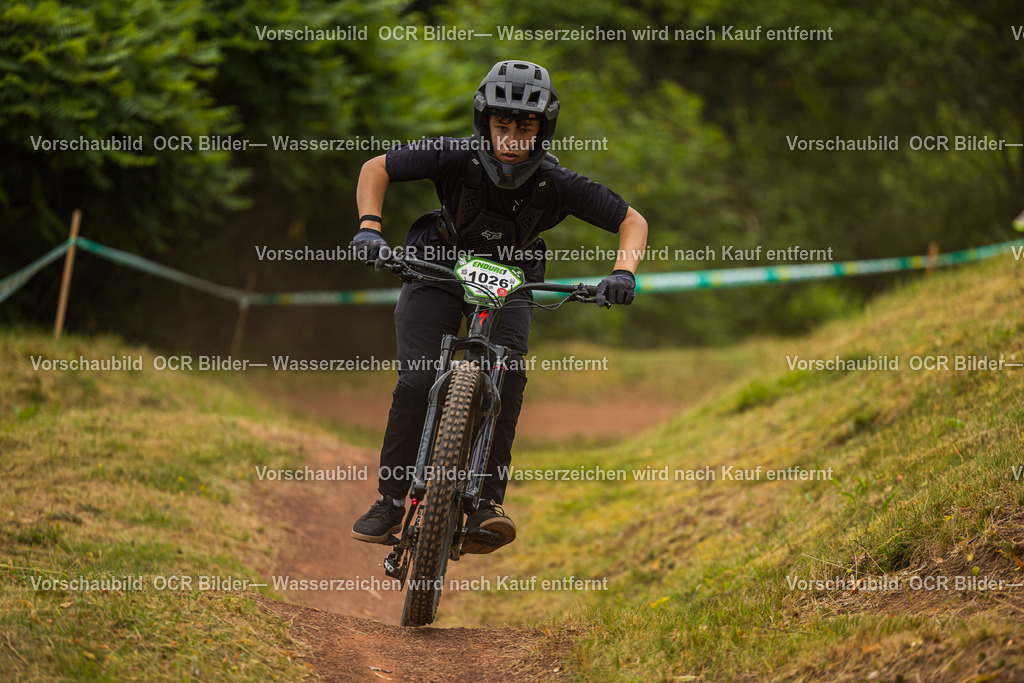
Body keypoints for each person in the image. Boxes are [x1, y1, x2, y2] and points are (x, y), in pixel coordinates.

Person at [350, 59, 648, 554]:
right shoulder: (452, 156)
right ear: (484, 122)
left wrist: (623, 272)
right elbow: (375, 168)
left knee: (506, 374)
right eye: (502, 124)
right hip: (438, 261)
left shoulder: (559, 182)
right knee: (421, 378)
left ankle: (487, 502)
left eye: (525, 127)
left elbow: (631, 221)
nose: (512, 138)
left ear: (542, 128)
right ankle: (389, 500)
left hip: (512, 276)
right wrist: (369, 227)